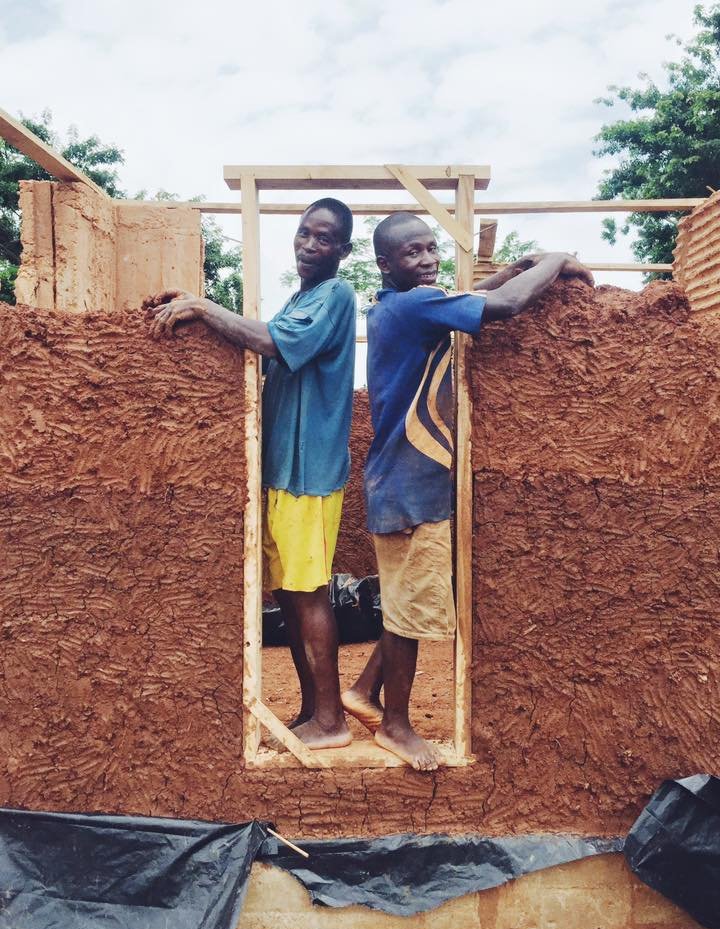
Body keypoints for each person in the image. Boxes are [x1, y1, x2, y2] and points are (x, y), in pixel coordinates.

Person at [342, 212, 593, 771]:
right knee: (411, 614)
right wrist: (553, 260)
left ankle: (363, 692)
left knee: (405, 601)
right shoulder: (412, 306)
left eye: (431, 248)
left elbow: (468, 298)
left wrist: (506, 270)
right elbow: (502, 309)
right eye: (413, 253)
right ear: (386, 264)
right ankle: (398, 727)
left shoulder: (398, 306)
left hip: (400, 483)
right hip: (411, 490)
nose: (428, 259)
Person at [145, 198, 357, 749]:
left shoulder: (335, 295)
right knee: (287, 594)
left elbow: (269, 342)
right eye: (304, 234)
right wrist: (202, 312)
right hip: (284, 470)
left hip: (308, 472)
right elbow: (258, 344)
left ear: (343, 250)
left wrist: (202, 308)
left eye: (324, 238)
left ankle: (332, 722)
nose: (309, 245)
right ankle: (314, 710)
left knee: (308, 593)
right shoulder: (302, 297)